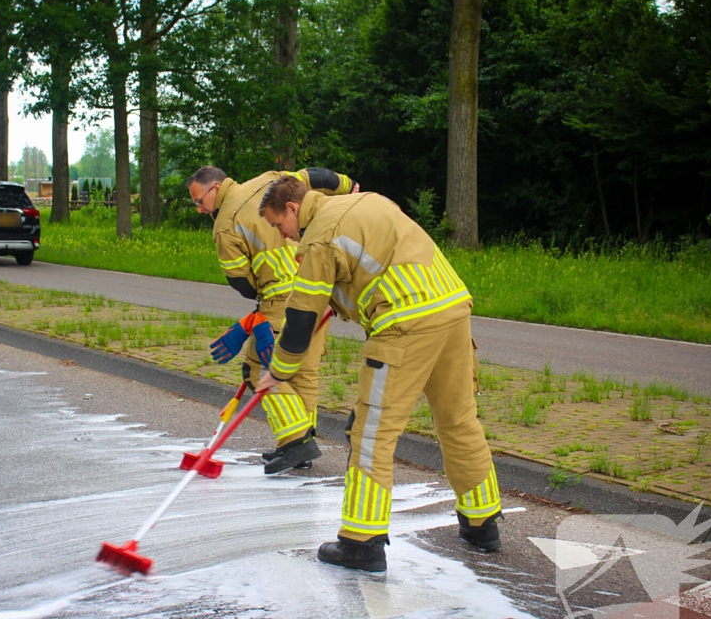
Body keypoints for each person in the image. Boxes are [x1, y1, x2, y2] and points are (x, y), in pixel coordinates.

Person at [254, 175, 501, 571]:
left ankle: (361, 542)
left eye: (277, 225)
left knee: (371, 433)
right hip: (453, 307)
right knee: (458, 419)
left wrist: (278, 371)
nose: (283, 237)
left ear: (293, 210)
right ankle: (481, 522)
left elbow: (300, 319)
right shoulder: (367, 201)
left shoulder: (318, 237)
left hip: (405, 323)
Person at [187, 166, 358, 474]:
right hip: (319, 288)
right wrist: (350, 186)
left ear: (215, 188)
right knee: (302, 371)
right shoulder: (269, 180)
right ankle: (301, 446)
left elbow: (243, 284)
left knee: (258, 369)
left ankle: (295, 442)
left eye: (200, 201)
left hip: (282, 301)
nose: (200, 209)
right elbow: (316, 176)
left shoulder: (225, 227)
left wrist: (263, 305)